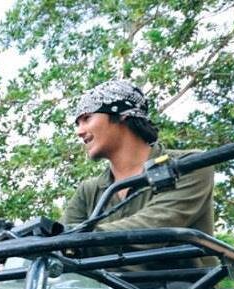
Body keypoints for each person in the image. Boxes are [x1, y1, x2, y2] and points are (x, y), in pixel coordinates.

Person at [60, 79, 215, 269]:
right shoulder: (89, 190)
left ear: (122, 114)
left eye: (87, 118)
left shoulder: (189, 165)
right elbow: (59, 243)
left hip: (183, 287)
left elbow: (155, 227)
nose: (79, 131)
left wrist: (75, 239)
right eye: (77, 123)